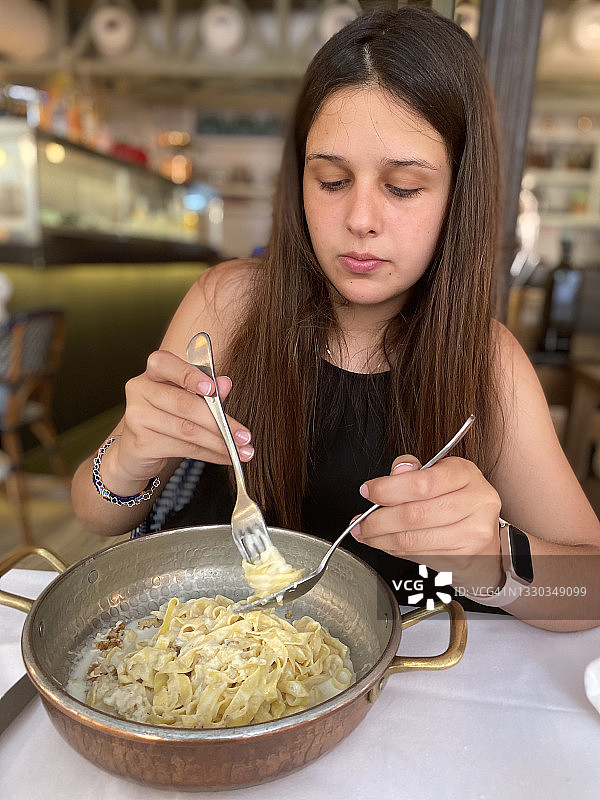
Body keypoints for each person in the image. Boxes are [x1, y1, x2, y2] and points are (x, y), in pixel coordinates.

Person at [72, 4, 600, 631]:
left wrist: (492, 560)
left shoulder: (488, 361)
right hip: (200, 658)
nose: (360, 219)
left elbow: (588, 592)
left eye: (403, 187)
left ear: (459, 194)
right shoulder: (230, 303)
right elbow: (94, 512)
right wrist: (132, 453)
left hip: (400, 690)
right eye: (330, 180)